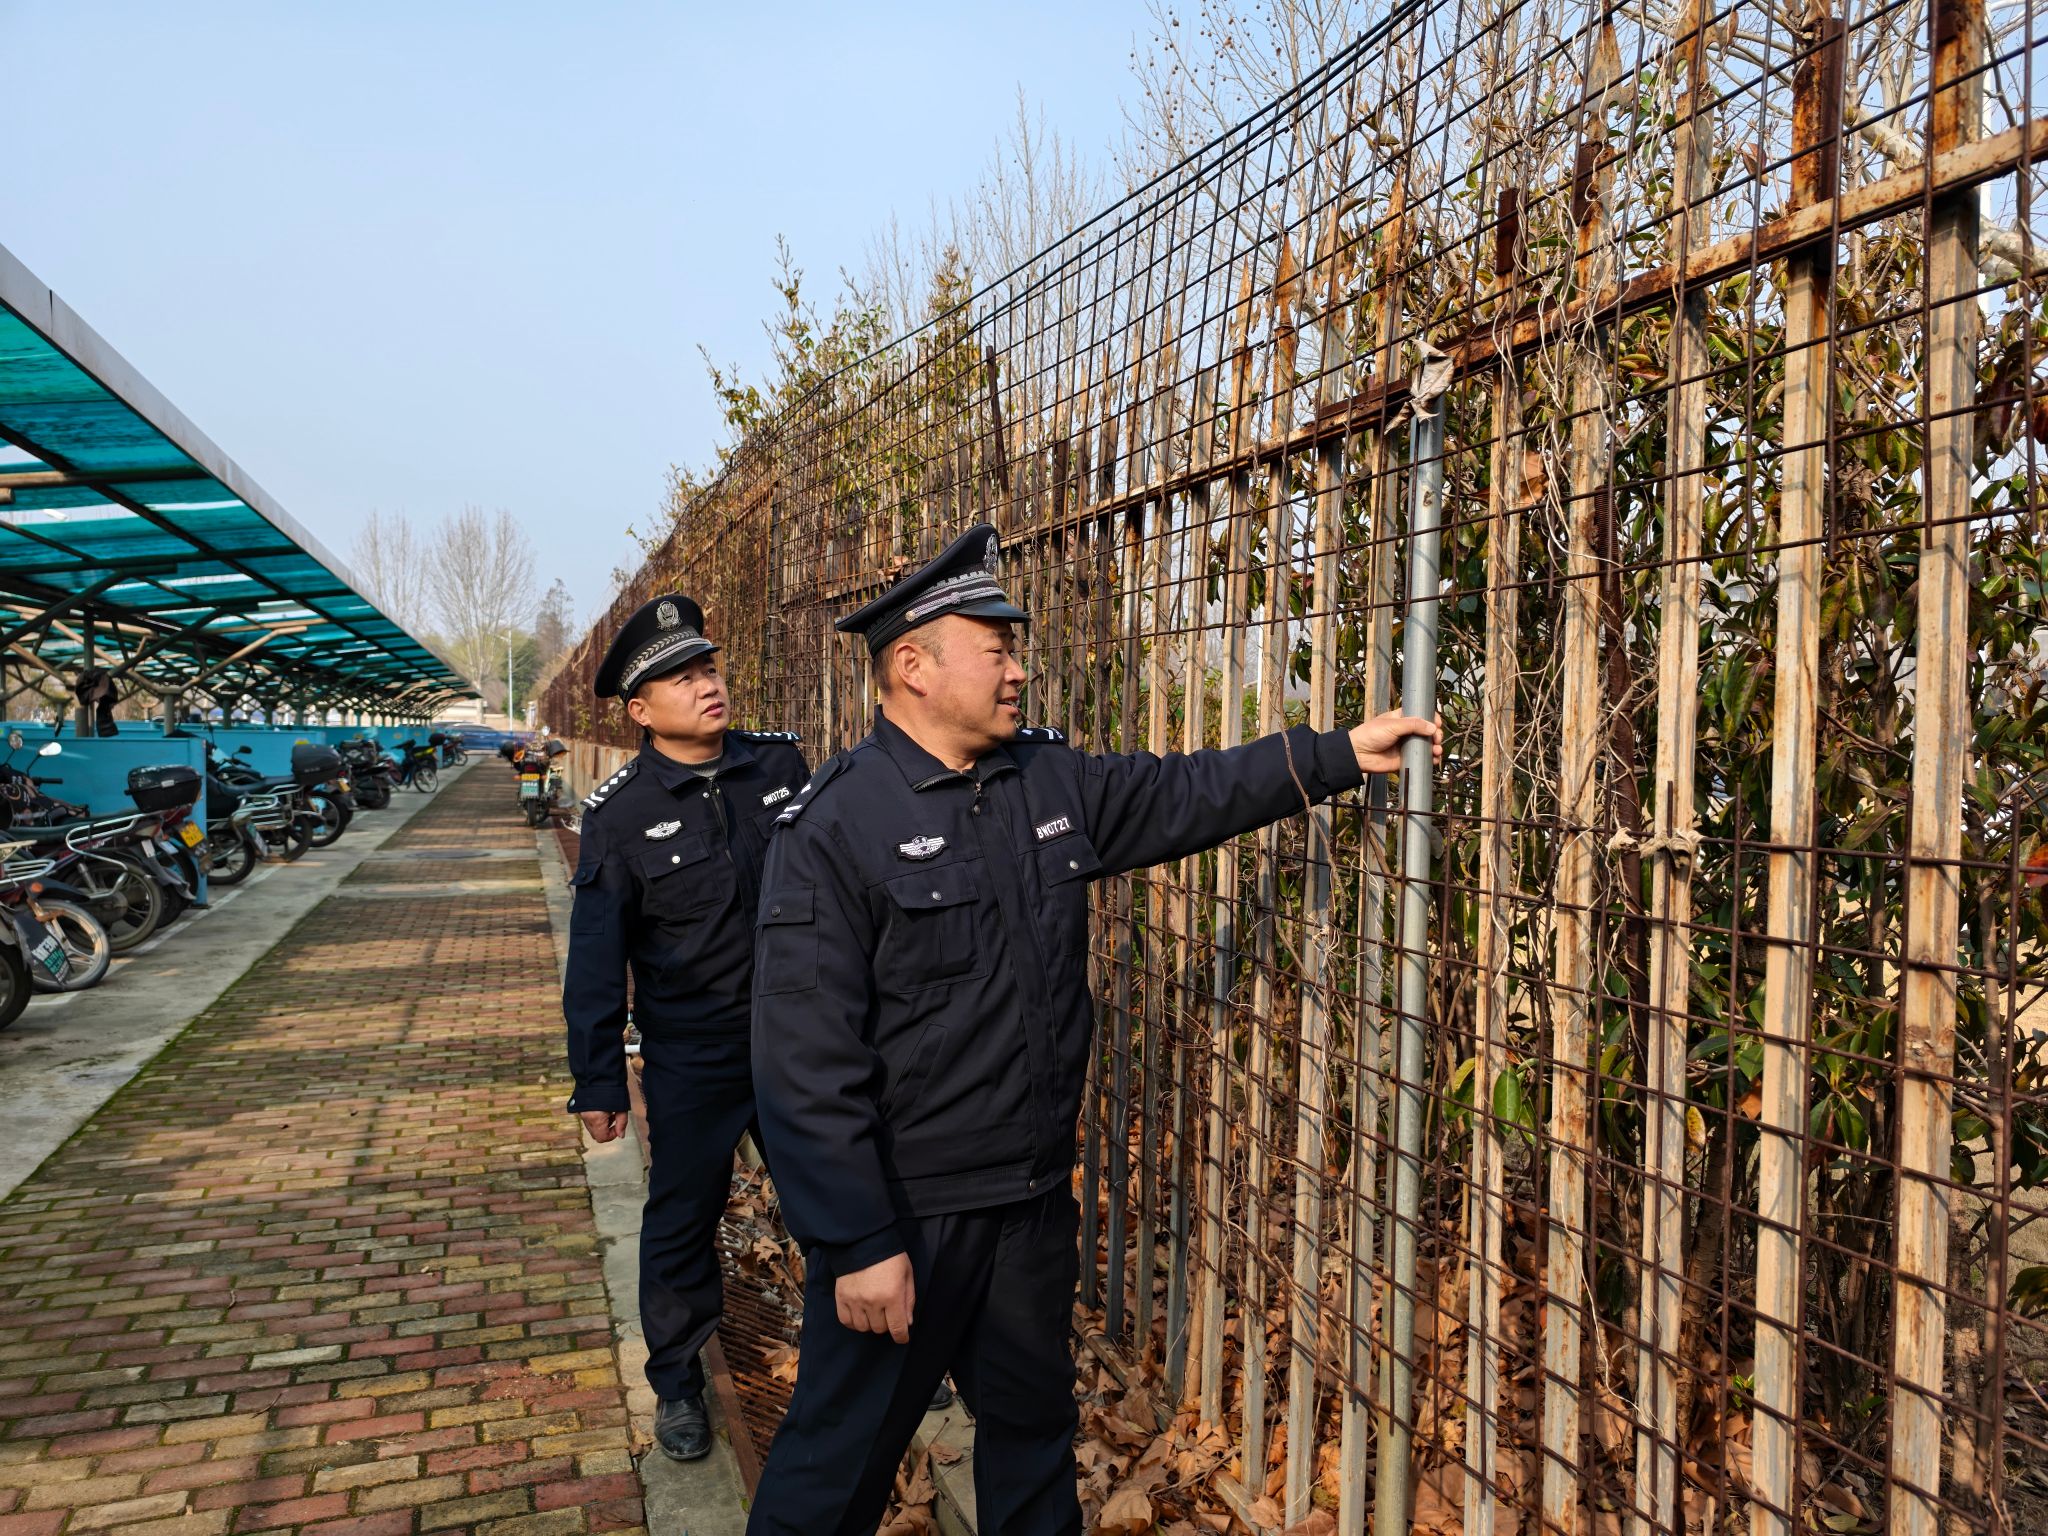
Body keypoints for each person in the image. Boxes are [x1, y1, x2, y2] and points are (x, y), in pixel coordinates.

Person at [745, 524, 1442, 1533]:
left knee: (1032, 1447)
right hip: (909, 1215)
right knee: (834, 1471)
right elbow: (803, 1058)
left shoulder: (1042, 781)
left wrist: (1333, 755)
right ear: (912, 667)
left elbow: (1183, 792)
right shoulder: (834, 827)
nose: (1018, 671)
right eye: (995, 651)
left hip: (1027, 1206)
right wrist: (857, 1239)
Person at [561, 593, 809, 1462]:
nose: (706, 685)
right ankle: (675, 1383)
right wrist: (597, 1078)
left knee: (839, 1194)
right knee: (681, 1217)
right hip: (695, 1054)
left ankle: (884, 1344)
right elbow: (596, 958)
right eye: (680, 678)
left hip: (802, 1039)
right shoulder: (620, 814)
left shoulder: (780, 765)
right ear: (640, 710)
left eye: (707, 667)